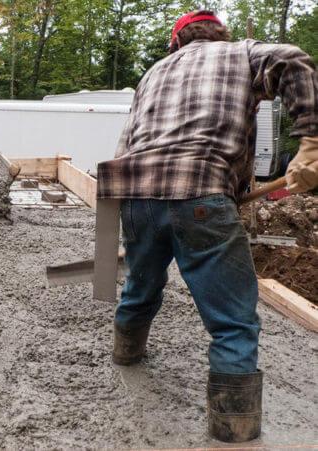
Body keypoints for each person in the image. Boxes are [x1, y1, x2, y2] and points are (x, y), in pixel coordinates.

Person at [96, 11, 318, 443]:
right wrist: (311, 142)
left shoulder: (153, 73)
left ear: (175, 43)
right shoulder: (241, 53)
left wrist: (117, 222)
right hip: (201, 190)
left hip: (136, 196)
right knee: (233, 322)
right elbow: (293, 60)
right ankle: (233, 431)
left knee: (141, 288)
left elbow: (125, 144)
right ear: (220, 34)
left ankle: (126, 356)